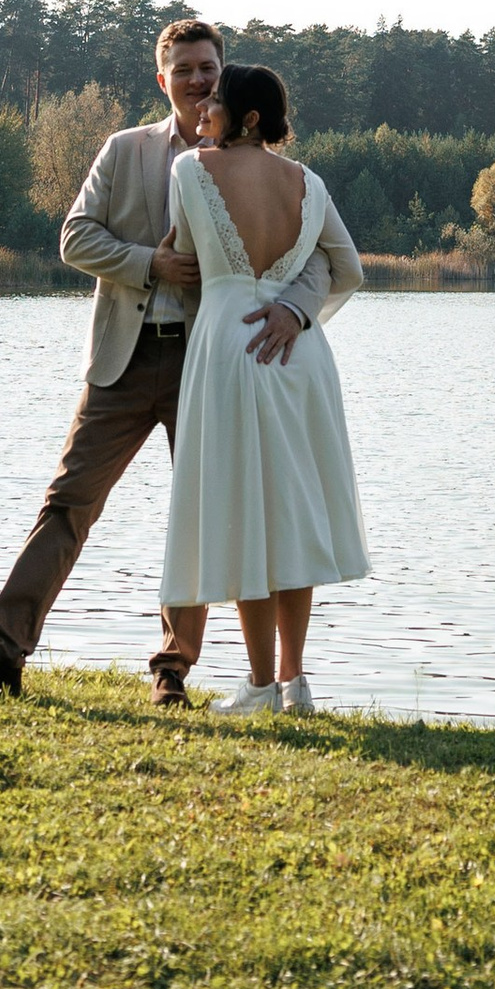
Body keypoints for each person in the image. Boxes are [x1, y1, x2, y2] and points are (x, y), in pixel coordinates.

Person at [0, 17, 358, 708]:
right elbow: (74, 237)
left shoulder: (268, 170)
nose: (196, 80)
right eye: (183, 69)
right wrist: (147, 264)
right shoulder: (125, 150)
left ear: (223, 76)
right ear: (163, 80)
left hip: (213, 362)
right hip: (122, 359)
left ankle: (172, 671)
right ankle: (1, 652)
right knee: (67, 504)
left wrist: (294, 310)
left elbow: (311, 263)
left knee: (210, 511)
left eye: (207, 70)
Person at [160, 60, 368, 716]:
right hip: (297, 354)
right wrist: (295, 304)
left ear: (247, 117)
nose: (201, 112)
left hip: (230, 344)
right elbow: (348, 268)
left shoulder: (190, 171)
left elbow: (185, 249)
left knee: (246, 513)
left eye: (214, 103)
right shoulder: (308, 182)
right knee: (289, 516)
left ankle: (258, 685)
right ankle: (295, 681)